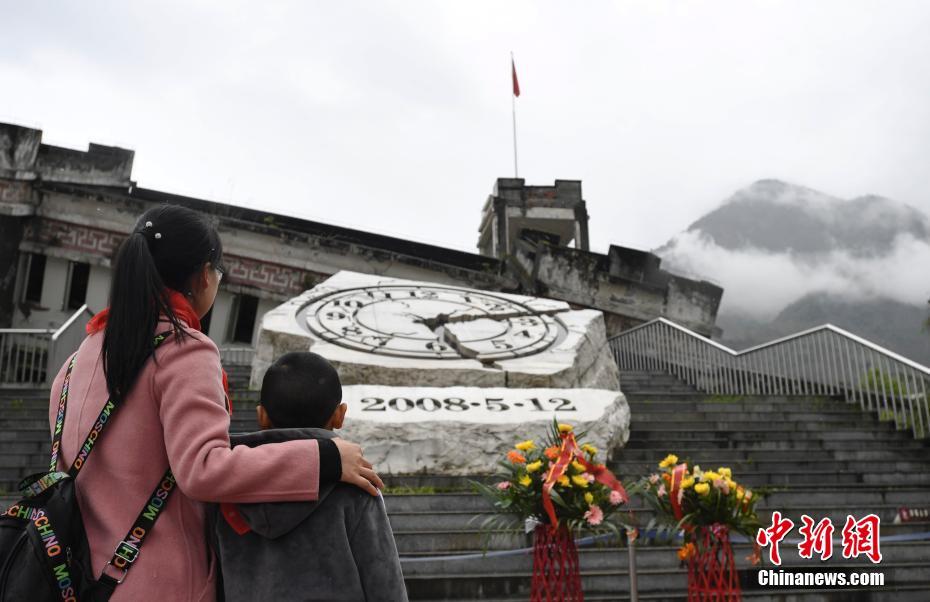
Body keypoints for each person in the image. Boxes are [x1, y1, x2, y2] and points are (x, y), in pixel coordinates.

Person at [47, 204, 383, 601]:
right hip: (158, 585)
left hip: (73, 579)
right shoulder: (183, 352)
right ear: (204, 274)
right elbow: (203, 469)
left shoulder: (76, 360)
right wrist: (325, 458)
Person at [212, 352, 408, 601]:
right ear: (340, 415)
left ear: (261, 415)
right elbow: (385, 582)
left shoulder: (225, 484)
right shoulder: (355, 483)